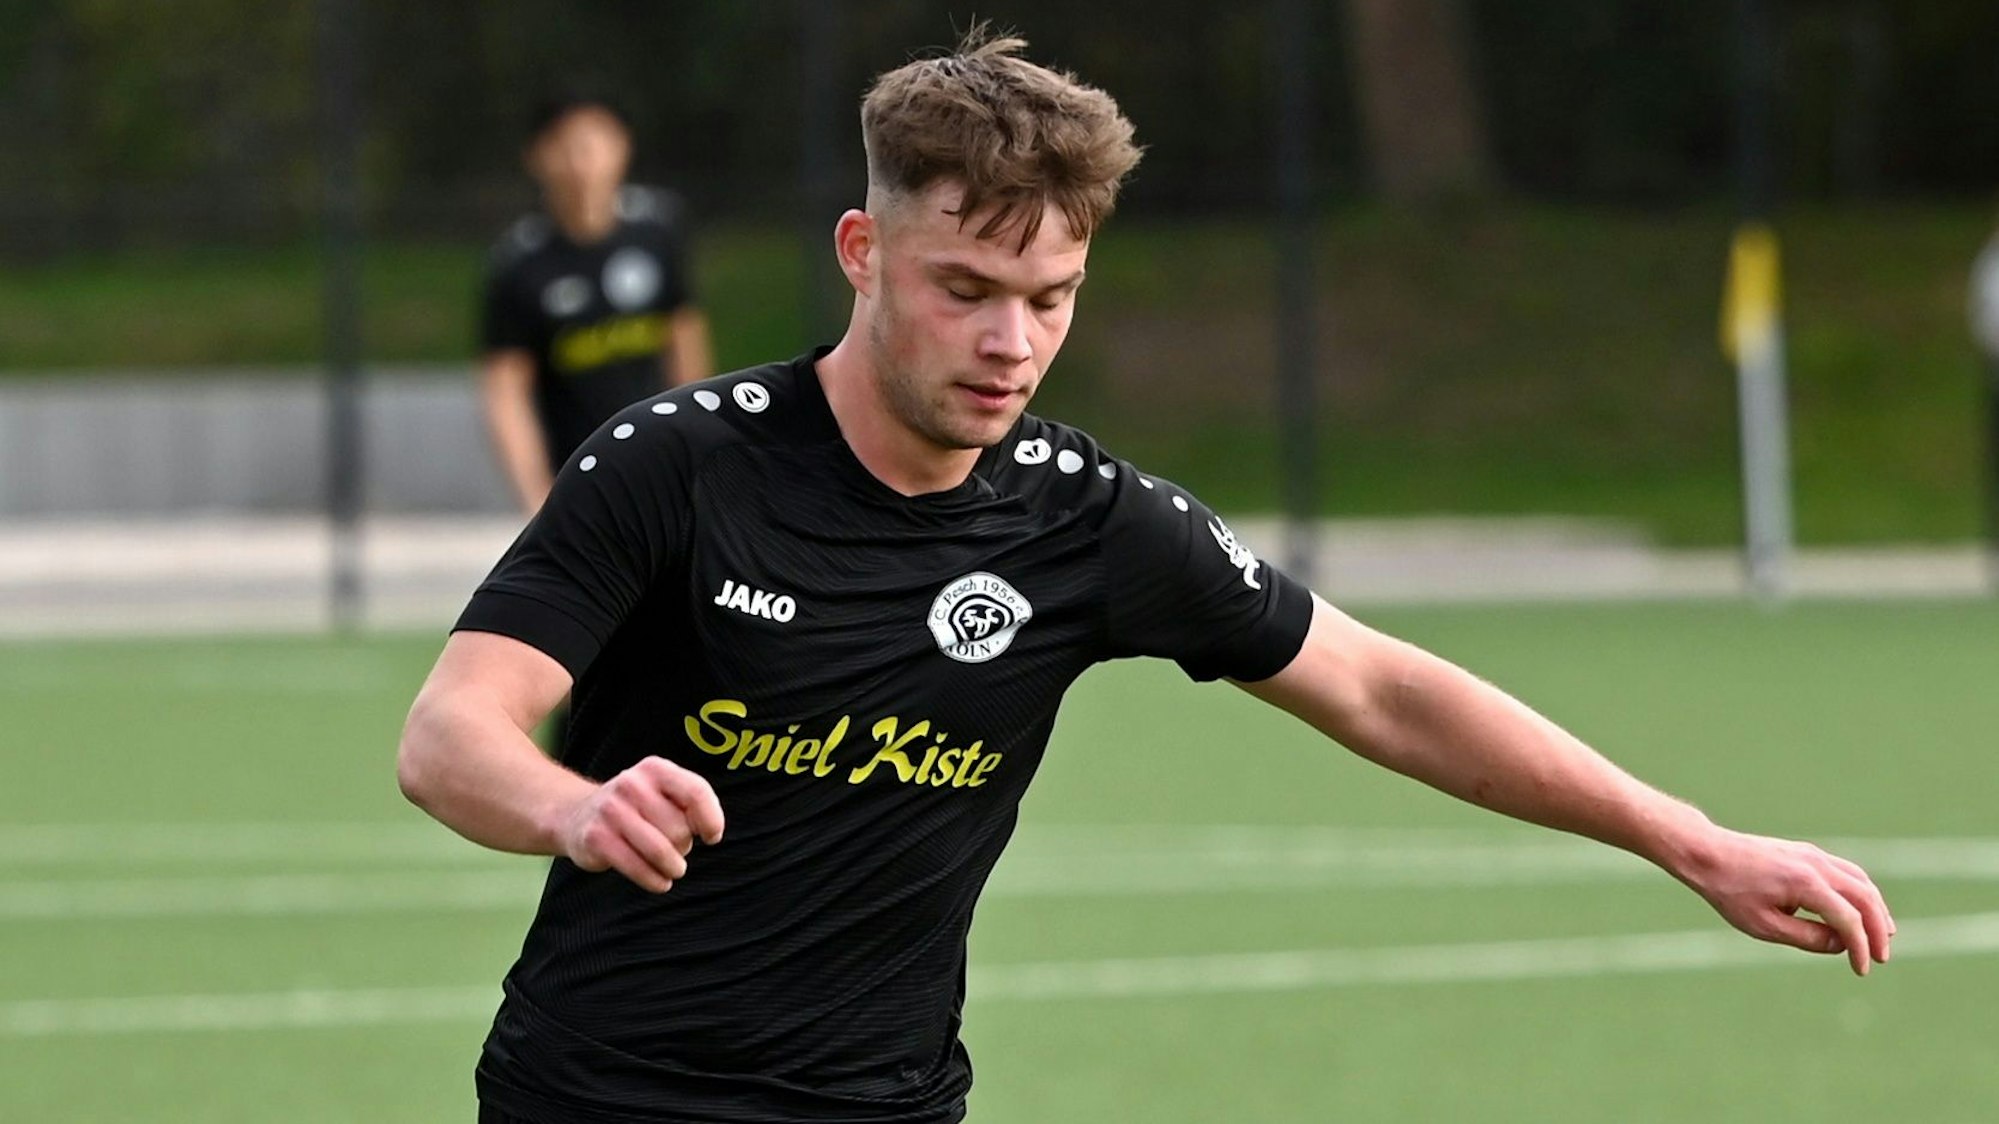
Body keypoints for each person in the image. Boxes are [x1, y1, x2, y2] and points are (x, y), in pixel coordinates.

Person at [400, 29, 1894, 1124]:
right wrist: (576, 805)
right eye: (963, 291)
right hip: (600, 1097)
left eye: (1049, 300)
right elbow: (451, 736)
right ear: (861, 251)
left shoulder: (1083, 518)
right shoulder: (679, 463)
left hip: (887, 1107)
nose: (1009, 345)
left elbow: (1374, 687)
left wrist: (1684, 838)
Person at [479, 90, 713, 516]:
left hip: (659, 470)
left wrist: (696, 448)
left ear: (623, 146)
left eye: (595, 142)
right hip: (576, 485)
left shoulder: (658, 233)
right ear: (536, 157)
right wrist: (537, 497)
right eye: (566, 145)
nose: (582, 161)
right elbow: (505, 389)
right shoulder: (518, 264)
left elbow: (684, 342)